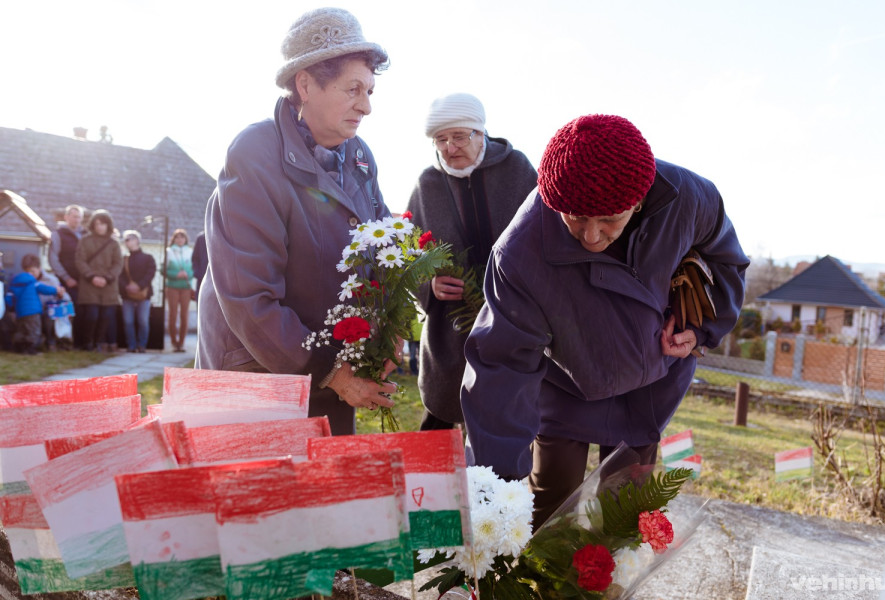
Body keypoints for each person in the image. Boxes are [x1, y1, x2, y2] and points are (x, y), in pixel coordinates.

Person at [460, 114, 749, 528]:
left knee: (624, 511)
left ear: (639, 199)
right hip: (566, 387)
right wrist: (495, 491)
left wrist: (702, 328)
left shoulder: (688, 198)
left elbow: (727, 260)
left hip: (651, 380)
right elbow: (501, 367)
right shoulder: (519, 253)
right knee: (552, 506)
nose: (591, 236)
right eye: (575, 217)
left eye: (609, 219)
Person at [196, 7, 398, 436]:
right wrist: (336, 374)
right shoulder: (255, 153)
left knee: (326, 478)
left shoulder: (359, 156)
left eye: (369, 91)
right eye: (353, 89)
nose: (366, 106)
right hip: (258, 376)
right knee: (263, 480)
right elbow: (250, 300)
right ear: (305, 84)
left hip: (329, 367)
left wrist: (389, 327)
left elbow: (382, 248)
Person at [406, 92, 538, 430]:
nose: (450, 147)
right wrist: (430, 284)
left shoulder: (517, 169)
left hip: (515, 322)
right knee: (442, 414)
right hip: (451, 329)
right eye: (440, 139)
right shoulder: (427, 184)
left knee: (506, 426)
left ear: (481, 133)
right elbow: (407, 258)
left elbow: (545, 237)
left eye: (459, 136)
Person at [75, 209, 123, 353]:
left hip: (108, 285)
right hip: (89, 284)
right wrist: (91, 277)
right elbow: (80, 260)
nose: (100, 227)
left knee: (106, 316)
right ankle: (88, 342)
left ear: (108, 225)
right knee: (92, 315)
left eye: (103, 224)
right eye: (97, 224)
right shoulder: (85, 240)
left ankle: (98, 343)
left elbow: (118, 263)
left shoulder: (114, 243)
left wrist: (107, 278)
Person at [10, 254, 65, 355]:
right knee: (34, 331)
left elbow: (10, 297)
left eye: (33, 271)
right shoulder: (33, 282)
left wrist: (11, 307)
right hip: (33, 312)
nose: (31, 274)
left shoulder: (15, 282)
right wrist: (57, 290)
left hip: (20, 312)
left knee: (22, 330)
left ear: (39, 268)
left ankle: (19, 347)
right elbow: (45, 289)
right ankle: (31, 349)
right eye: (29, 271)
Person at [48, 204, 85, 346]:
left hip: (84, 282)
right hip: (65, 282)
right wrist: (66, 277)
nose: (77, 220)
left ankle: (79, 343)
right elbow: (53, 258)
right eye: (74, 216)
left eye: (79, 217)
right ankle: (62, 342)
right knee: (65, 312)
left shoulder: (85, 235)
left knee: (82, 312)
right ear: (66, 217)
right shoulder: (58, 234)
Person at [119, 230, 156, 353]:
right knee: (128, 321)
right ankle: (131, 345)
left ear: (136, 240)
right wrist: (126, 286)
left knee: (143, 321)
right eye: (125, 240)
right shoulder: (124, 259)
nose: (126, 242)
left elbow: (150, 273)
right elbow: (120, 276)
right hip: (127, 295)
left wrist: (139, 286)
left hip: (144, 295)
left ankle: (142, 345)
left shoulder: (148, 258)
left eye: (128, 239)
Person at [165, 228, 193, 352]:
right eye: (177, 237)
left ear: (186, 239)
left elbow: (194, 269)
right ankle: (173, 342)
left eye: (182, 237)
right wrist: (176, 274)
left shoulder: (190, 252)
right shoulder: (169, 251)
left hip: (186, 288)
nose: (180, 239)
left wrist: (188, 274)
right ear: (174, 239)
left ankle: (181, 343)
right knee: (173, 314)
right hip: (172, 287)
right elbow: (163, 270)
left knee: (184, 315)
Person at [191, 230, 208, 299]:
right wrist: (198, 274)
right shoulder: (201, 237)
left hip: (219, 280)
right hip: (202, 278)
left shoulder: (224, 235)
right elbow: (195, 258)